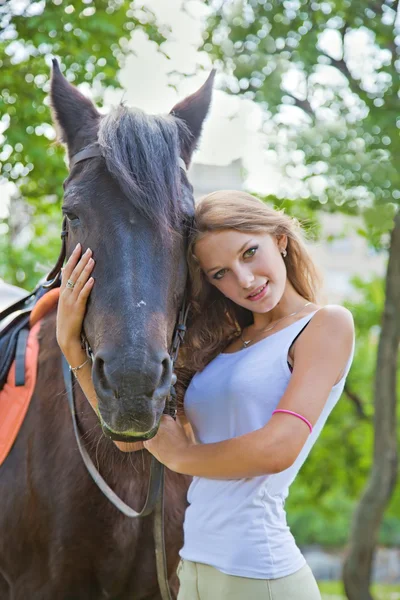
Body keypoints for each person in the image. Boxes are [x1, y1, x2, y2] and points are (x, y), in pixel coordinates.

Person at [57, 190, 355, 600]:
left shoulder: (326, 324)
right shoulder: (227, 344)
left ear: (280, 239)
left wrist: (182, 456)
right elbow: (131, 438)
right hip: (195, 566)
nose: (244, 280)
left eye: (250, 253)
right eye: (220, 274)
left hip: (257, 572)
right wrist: (72, 346)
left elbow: (279, 448)